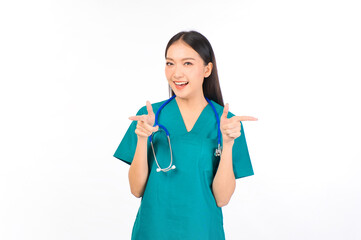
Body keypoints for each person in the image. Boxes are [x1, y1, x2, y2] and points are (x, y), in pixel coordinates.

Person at [113, 30, 258, 240]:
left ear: (207, 69)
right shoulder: (148, 118)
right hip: (152, 231)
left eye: (187, 63)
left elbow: (222, 198)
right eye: (170, 63)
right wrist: (142, 139)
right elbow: (136, 190)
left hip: (202, 232)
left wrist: (227, 144)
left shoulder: (227, 124)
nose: (176, 73)